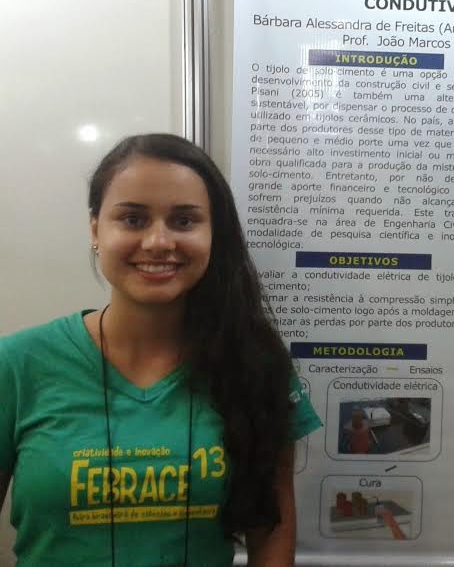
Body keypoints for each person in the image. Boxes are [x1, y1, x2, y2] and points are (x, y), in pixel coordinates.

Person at [0, 133, 322, 566]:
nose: (158, 242)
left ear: (214, 234)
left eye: (184, 221)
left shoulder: (255, 364)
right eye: (133, 219)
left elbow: (273, 530)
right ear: (96, 230)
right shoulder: (16, 365)